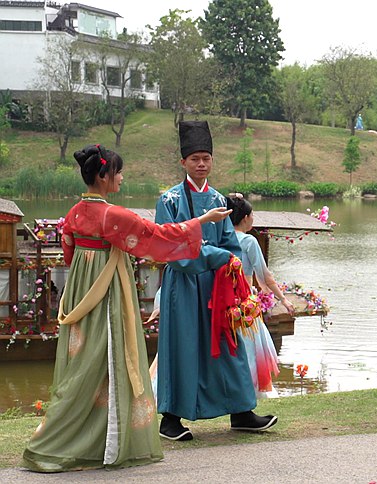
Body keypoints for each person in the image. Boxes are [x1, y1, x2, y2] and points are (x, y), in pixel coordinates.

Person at [22, 144, 231, 472]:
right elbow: (159, 237)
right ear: (103, 177)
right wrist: (203, 219)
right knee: (113, 360)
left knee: (84, 363)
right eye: (117, 172)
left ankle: (72, 433)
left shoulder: (76, 212)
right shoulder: (112, 215)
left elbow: (69, 252)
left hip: (80, 292)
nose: (121, 178)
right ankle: (108, 442)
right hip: (107, 294)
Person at [155, 121, 277, 441]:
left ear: (212, 161)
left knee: (229, 346)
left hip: (217, 286)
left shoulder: (220, 199)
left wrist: (226, 259)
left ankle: (241, 411)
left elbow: (232, 244)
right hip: (182, 285)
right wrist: (213, 255)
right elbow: (169, 246)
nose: (201, 164)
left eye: (206, 158)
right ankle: (170, 420)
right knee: (183, 348)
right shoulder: (168, 201)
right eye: (195, 158)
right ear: (183, 162)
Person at [228, 194, 295, 394]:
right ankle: (250, 389)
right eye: (252, 215)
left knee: (230, 346)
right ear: (245, 217)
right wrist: (283, 299)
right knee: (250, 347)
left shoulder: (220, 238)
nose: (253, 219)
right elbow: (265, 277)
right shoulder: (248, 241)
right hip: (244, 301)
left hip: (224, 300)